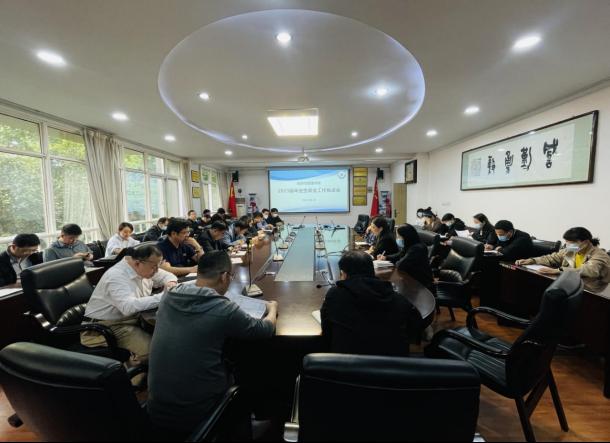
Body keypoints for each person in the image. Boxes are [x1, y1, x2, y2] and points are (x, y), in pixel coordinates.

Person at [147, 251, 278, 435]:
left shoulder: (169, 296)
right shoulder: (222, 308)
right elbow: (264, 329)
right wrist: (272, 308)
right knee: (247, 366)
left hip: (156, 407)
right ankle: (243, 428)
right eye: (231, 276)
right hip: (196, 413)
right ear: (224, 276)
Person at [81, 244, 177, 369]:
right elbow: (128, 307)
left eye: (158, 266)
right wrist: (163, 297)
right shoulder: (116, 276)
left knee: (170, 338)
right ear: (137, 263)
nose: (157, 271)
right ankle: (127, 372)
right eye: (154, 267)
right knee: (154, 350)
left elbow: (167, 276)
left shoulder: (145, 266)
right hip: (103, 327)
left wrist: (170, 283)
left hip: (131, 320)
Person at [320, 251, 422, 356]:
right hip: (392, 363)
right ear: (372, 271)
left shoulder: (335, 295)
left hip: (346, 364)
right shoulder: (396, 298)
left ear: (343, 274)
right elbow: (415, 325)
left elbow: (327, 330)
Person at [516, 227, 610, 291]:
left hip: (590, 292)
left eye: (571, 242)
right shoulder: (573, 250)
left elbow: (589, 270)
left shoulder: (599, 255)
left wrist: (558, 270)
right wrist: (533, 260)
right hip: (570, 285)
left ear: (585, 242)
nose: (568, 245)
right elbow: (553, 258)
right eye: (566, 242)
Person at [378, 224, 433, 289]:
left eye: (399, 236)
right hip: (410, 278)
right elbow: (400, 255)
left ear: (406, 237)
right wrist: (386, 257)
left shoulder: (417, 249)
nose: (397, 239)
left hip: (421, 285)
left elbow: (401, 265)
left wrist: (395, 263)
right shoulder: (410, 245)